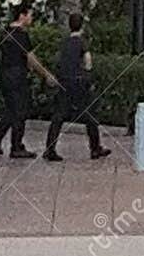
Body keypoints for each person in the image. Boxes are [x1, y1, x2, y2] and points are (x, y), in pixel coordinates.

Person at [0, 2, 57, 159]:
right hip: (17, 76)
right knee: (20, 110)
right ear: (22, 16)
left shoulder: (4, 33)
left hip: (4, 74)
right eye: (30, 15)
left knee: (11, 109)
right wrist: (46, 74)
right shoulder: (21, 35)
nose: (31, 18)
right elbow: (31, 58)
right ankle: (16, 146)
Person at [44, 13, 111, 162]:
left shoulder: (65, 42)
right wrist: (88, 74)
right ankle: (95, 148)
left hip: (64, 81)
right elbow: (88, 61)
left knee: (59, 115)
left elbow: (60, 61)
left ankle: (50, 148)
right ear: (82, 26)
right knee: (89, 114)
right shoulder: (82, 42)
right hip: (79, 82)